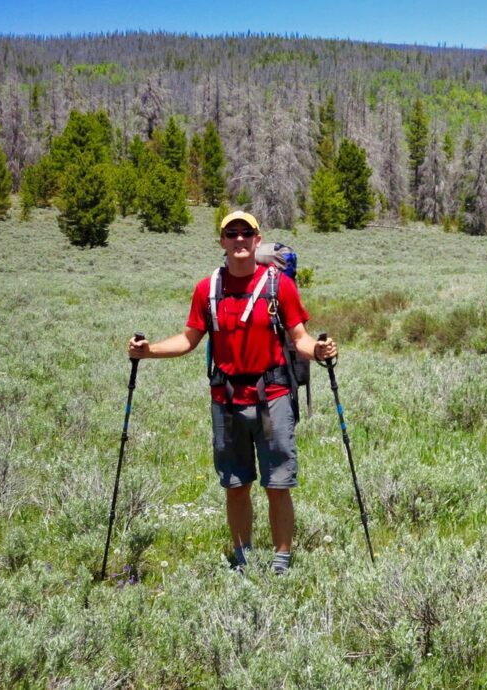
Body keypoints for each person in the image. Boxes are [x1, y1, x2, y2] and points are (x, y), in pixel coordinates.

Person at [128, 210, 336, 574]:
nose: (239, 239)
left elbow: (299, 337)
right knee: (236, 485)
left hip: (273, 396)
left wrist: (318, 353)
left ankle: (281, 562)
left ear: (258, 240)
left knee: (278, 484)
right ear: (222, 241)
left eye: (246, 233)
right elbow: (189, 339)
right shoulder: (207, 290)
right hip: (225, 400)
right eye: (231, 233)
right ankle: (243, 560)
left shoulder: (279, 286)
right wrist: (149, 351)